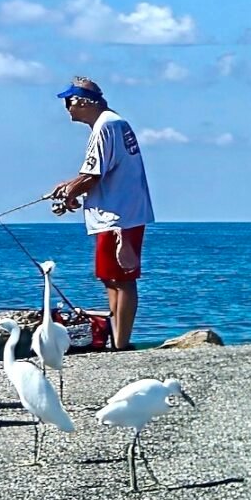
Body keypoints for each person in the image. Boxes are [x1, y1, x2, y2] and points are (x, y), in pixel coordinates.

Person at [49, 77, 154, 351]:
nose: (67, 108)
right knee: (110, 277)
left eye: (68, 102)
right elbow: (98, 171)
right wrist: (70, 187)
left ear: (83, 102)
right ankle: (117, 338)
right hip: (119, 212)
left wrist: (71, 193)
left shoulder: (106, 126)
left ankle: (121, 342)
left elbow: (94, 174)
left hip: (117, 216)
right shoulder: (113, 123)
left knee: (123, 278)